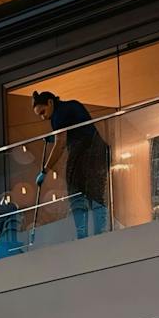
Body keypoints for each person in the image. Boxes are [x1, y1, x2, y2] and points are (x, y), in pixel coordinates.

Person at [30, 89, 111, 240]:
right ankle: (100, 232)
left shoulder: (58, 114)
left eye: (43, 112)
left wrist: (45, 170)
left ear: (50, 102)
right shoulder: (69, 107)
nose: (43, 117)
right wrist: (54, 137)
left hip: (86, 152)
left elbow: (60, 144)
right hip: (98, 152)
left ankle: (83, 233)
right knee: (95, 193)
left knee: (76, 192)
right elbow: (71, 132)